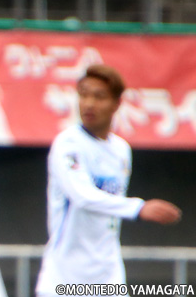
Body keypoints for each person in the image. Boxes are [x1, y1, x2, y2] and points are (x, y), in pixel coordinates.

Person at [35, 64, 182, 297]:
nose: (89, 103)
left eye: (99, 96)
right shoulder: (67, 144)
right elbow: (83, 196)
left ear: (116, 103)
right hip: (64, 279)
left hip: (108, 279)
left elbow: (110, 214)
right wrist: (138, 208)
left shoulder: (121, 150)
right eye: (84, 95)